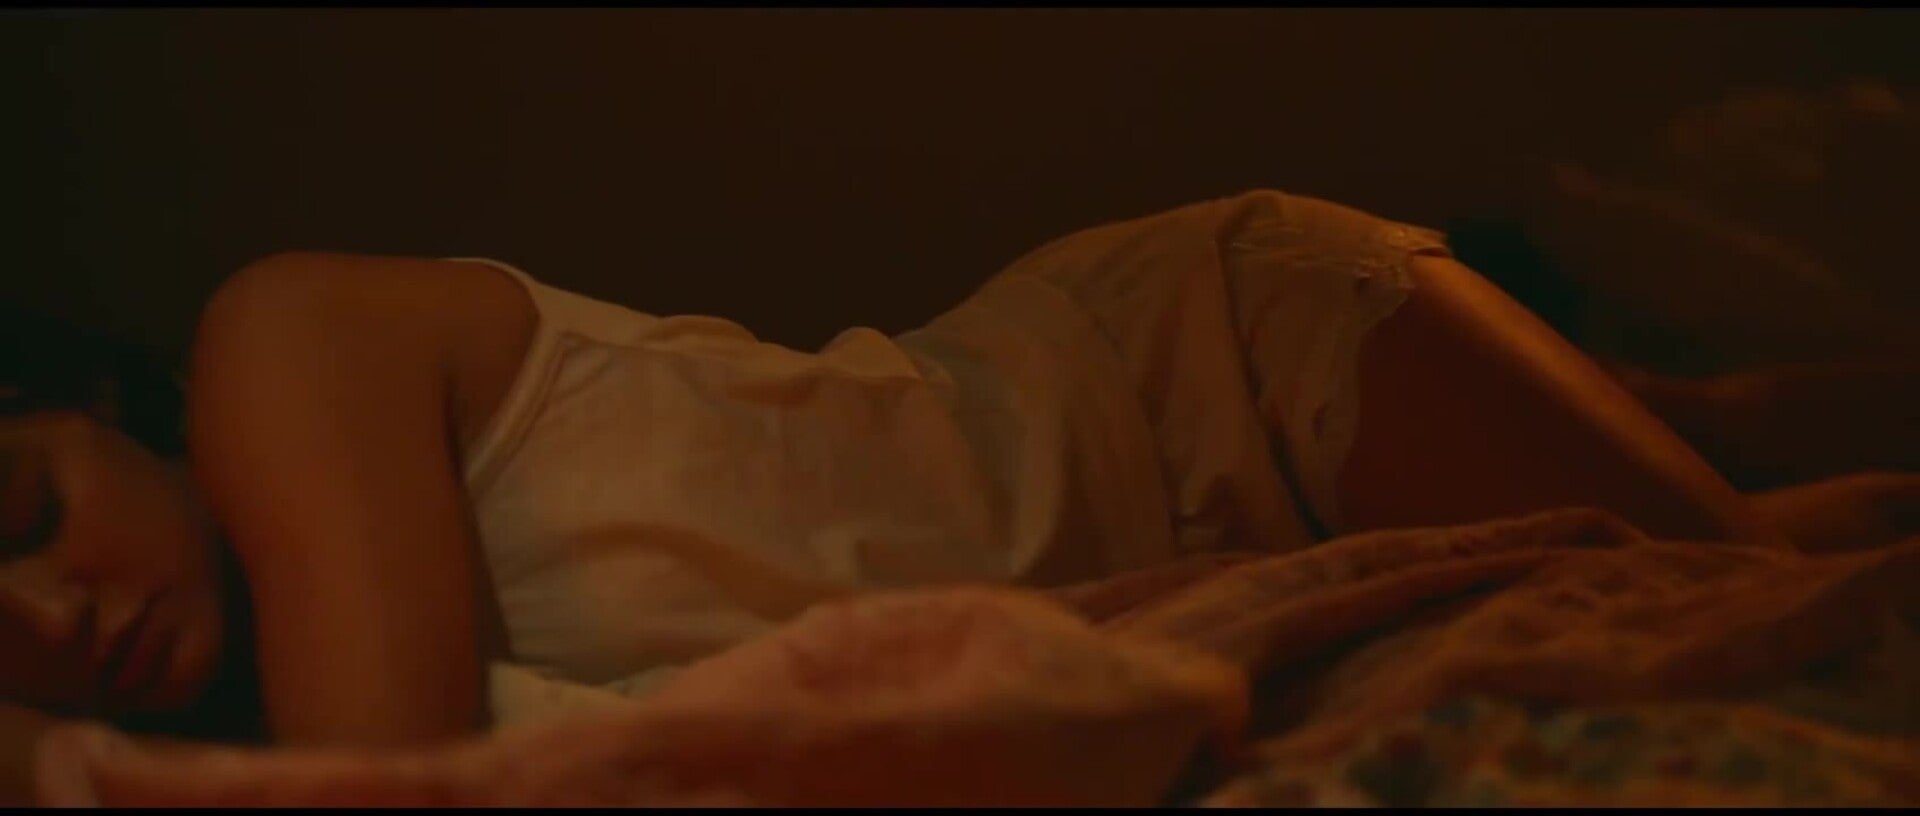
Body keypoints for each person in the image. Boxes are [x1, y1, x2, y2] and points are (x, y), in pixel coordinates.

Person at [0, 190, 1898, 804]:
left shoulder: (276, 341)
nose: (55, 619)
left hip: (1202, 379)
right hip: (1214, 542)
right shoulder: (256, 695)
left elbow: (404, 780)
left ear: (86, 404)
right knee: (1750, 468)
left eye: (19, 522)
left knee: (1747, 581)